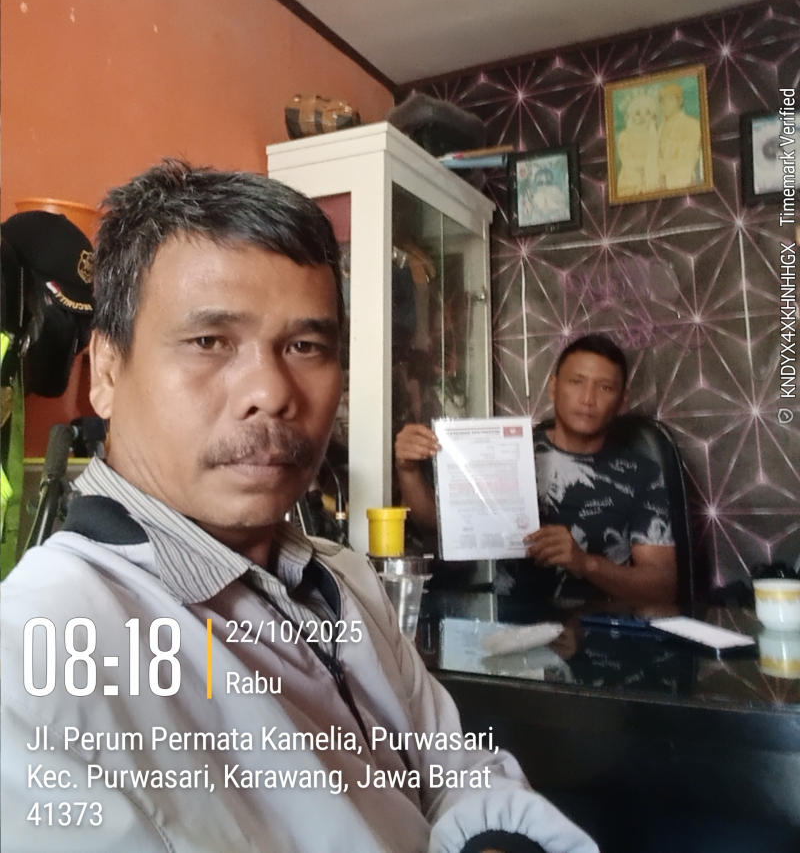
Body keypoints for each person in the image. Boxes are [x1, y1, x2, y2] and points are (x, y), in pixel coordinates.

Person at [1, 160, 597, 853]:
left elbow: (452, 769)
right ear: (106, 371)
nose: (273, 392)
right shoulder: (37, 651)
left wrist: (492, 836)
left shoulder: (346, 579)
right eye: (209, 341)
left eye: (305, 345)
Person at [395, 335, 676, 606]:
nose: (588, 399)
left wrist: (585, 563)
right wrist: (408, 469)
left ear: (623, 401)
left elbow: (662, 588)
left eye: (605, 387)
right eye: (576, 382)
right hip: (503, 622)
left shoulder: (641, 474)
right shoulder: (506, 452)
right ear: (553, 388)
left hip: (600, 628)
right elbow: (438, 524)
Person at [656, 83, 702, 191]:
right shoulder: (659, 128)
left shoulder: (691, 124)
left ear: (680, 101)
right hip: (659, 185)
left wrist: (661, 169)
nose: (665, 104)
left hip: (682, 183)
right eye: (662, 101)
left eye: (669, 99)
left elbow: (686, 159)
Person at [615, 94, 660, 197]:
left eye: (647, 113)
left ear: (652, 116)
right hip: (629, 181)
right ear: (631, 117)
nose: (642, 118)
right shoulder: (624, 136)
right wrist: (648, 164)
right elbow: (627, 161)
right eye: (638, 113)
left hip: (651, 182)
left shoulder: (655, 137)